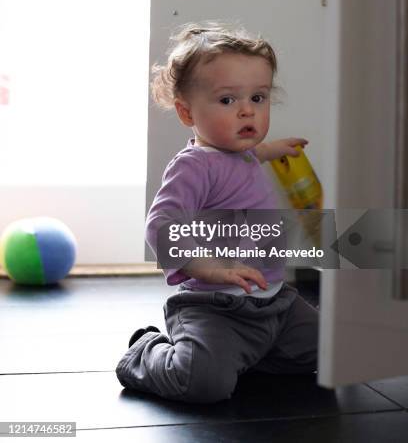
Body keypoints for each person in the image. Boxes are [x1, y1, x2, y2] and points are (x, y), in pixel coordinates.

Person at [116, 22, 319, 403]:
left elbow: (244, 160)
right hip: (216, 307)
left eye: (258, 98)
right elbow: (161, 225)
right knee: (204, 384)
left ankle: (247, 354)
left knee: (328, 352)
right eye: (228, 101)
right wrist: (209, 267)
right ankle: (145, 352)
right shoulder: (193, 166)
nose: (247, 112)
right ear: (186, 112)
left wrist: (272, 149)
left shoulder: (235, 152)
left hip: (276, 303)